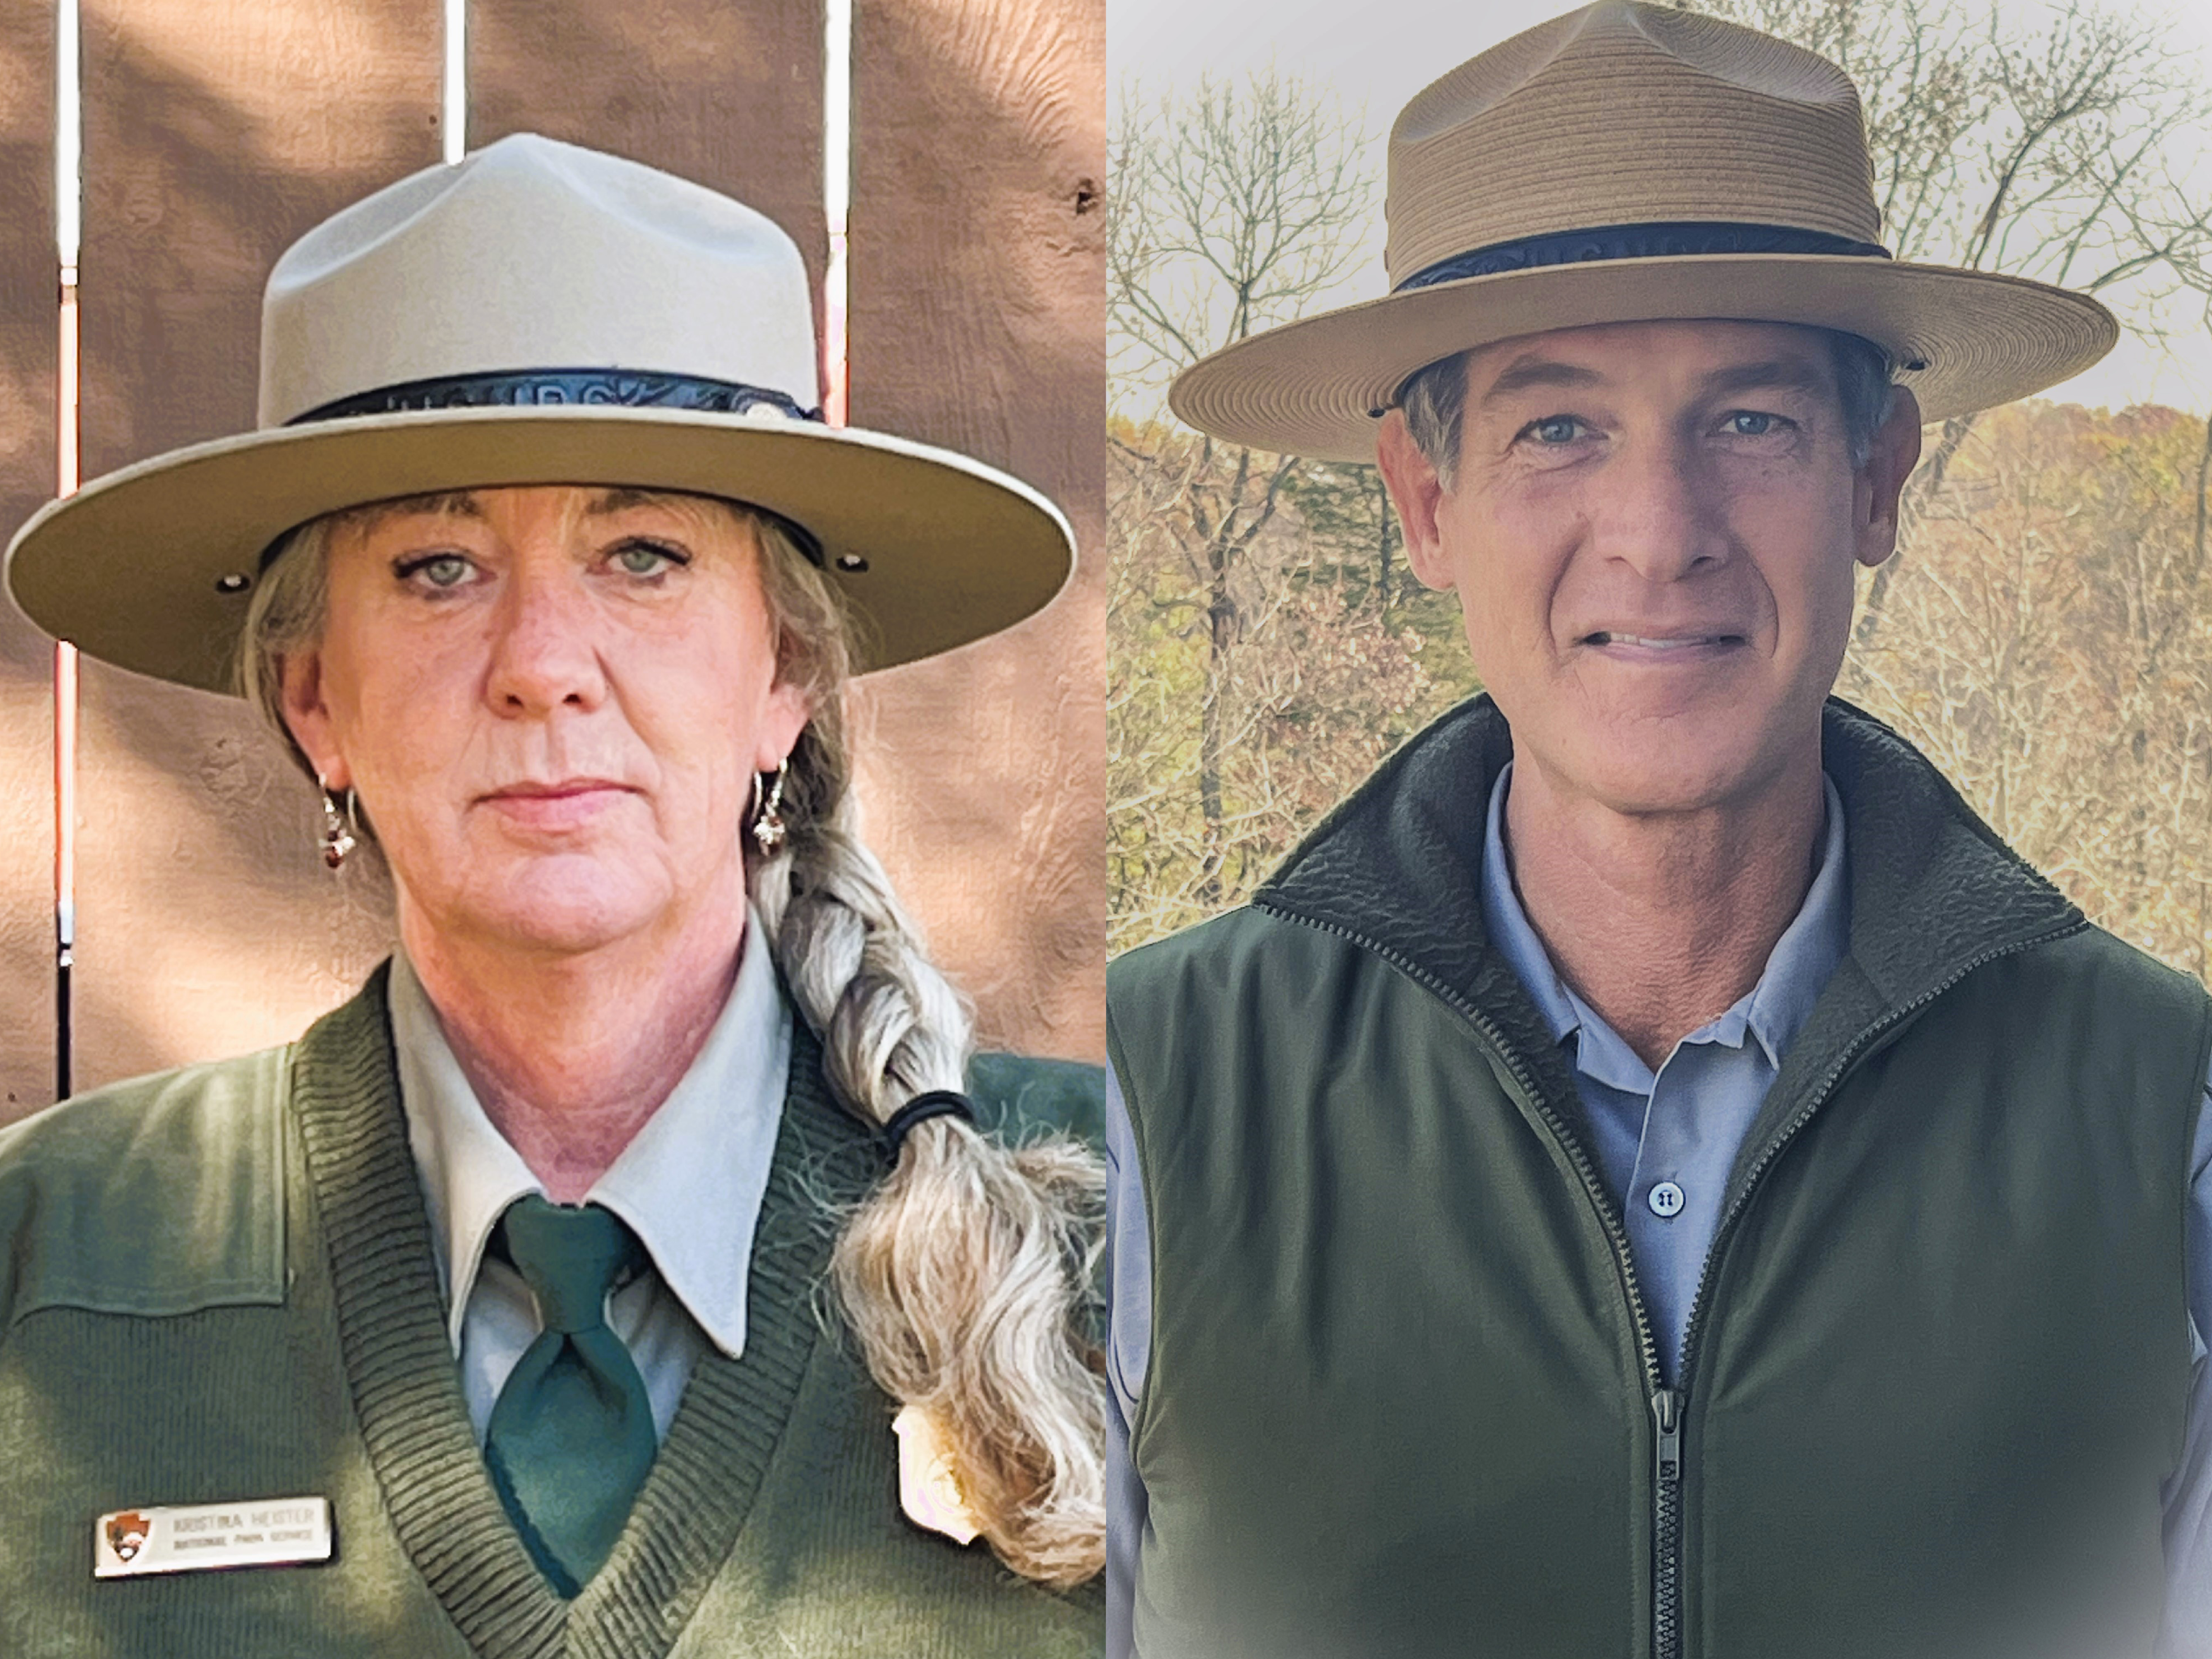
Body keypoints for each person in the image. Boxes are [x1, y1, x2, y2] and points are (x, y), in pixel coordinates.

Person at [1104, 5, 2212, 1657]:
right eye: (1557, 426)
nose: (1658, 532)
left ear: (1877, 479)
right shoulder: (1147, 1106)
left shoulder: (2162, 1117)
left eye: (1749, 419)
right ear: (1425, 501)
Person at [0, 133, 1104, 1656]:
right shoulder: (48, 1263)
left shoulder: (1149, 1239)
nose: (540, 663)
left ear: (781, 672)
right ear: (315, 697)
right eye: (438, 567)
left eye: (641, 555)